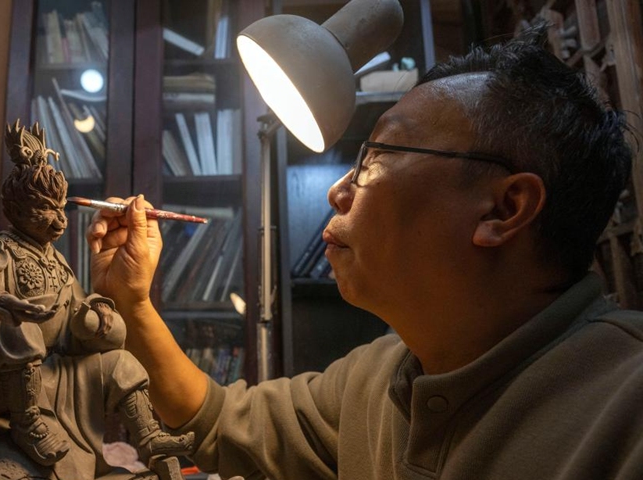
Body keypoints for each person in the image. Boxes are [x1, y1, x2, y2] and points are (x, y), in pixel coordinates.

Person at [86, 26, 643, 480]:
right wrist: (132, 303)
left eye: (376, 158)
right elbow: (216, 421)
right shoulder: (379, 376)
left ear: (503, 210)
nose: (338, 191)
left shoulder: (623, 412)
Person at [0, 121, 193, 480]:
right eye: (45, 210)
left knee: (118, 362)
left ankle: (150, 437)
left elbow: (78, 325)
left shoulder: (57, 262)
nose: (59, 221)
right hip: (0, 384)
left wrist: (95, 318)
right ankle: (26, 422)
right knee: (17, 328)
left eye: (61, 208)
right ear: (16, 210)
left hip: (59, 377)